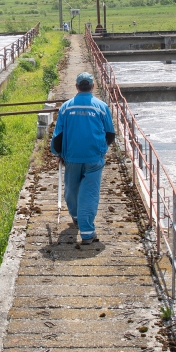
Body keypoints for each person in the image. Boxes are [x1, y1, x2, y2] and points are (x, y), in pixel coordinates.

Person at [51, 72, 115, 245]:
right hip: (94, 158)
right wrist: (102, 149)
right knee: (89, 193)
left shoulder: (66, 107)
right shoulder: (102, 107)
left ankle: (77, 217)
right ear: (93, 86)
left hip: (71, 157)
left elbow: (58, 136)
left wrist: (57, 153)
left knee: (71, 189)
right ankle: (87, 232)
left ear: (77, 86)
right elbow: (110, 134)